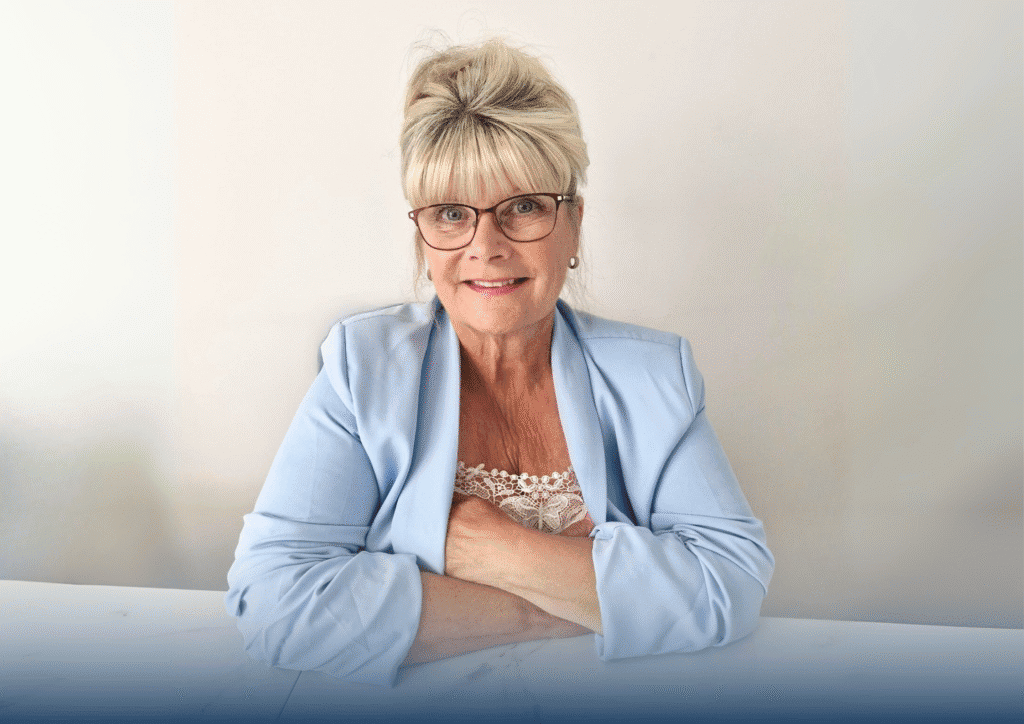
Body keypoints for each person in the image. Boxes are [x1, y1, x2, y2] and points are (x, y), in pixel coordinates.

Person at [225, 39, 774, 686]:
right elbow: (274, 602)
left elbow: (732, 582)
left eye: (523, 207)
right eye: (451, 214)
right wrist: (565, 603)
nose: (485, 246)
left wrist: (497, 551)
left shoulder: (655, 376)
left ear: (573, 224)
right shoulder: (361, 369)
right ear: (423, 237)